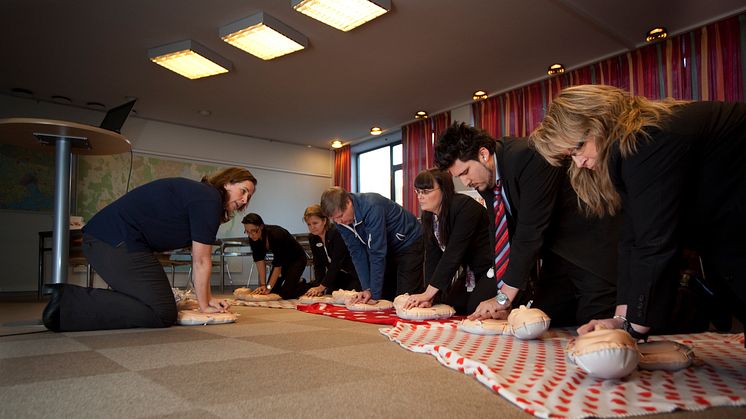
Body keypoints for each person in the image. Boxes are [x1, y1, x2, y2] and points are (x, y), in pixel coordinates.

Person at [529, 84, 746, 341]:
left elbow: (654, 242)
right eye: (570, 155)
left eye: (578, 148)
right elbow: (632, 238)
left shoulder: (647, 138)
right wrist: (621, 318)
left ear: (598, 122)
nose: (579, 162)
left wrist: (633, 330)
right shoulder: (633, 147)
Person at [434, 122, 619, 325]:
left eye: (465, 172)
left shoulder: (527, 155)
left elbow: (528, 232)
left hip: (590, 251)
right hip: (555, 258)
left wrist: (504, 298)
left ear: (483, 154)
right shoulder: (485, 179)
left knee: (596, 334)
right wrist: (504, 295)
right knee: (539, 323)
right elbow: (500, 233)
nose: (466, 182)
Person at [42, 167, 257, 332]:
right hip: (113, 240)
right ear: (228, 183)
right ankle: (67, 304)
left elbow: (196, 256)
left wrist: (209, 299)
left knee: (155, 304)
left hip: (111, 240)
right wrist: (204, 306)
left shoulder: (203, 197)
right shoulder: (209, 198)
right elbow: (201, 260)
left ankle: (66, 299)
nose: (245, 200)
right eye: (243, 191)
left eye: (249, 197)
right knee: (163, 312)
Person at [402, 169, 495, 315]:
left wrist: (428, 294)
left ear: (444, 190)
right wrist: (430, 295)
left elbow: (453, 253)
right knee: (452, 305)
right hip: (471, 271)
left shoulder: (465, 207)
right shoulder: (429, 216)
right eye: (418, 192)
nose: (420, 197)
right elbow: (433, 258)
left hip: (494, 267)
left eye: (426, 191)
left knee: (474, 309)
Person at [320, 187, 424, 305]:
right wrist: (367, 289)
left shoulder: (372, 206)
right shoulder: (340, 220)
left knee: (404, 297)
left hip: (409, 242)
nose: (338, 222)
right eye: (334, 219)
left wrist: (374, 294)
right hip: (389, 247)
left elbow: (377, 252)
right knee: (385, 295)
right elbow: (356, 253)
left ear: (348, 202)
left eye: (340, 216)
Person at [243, 213, 311, 299]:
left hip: (297, 259)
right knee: (272, 290)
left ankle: (306, 284)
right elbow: (260, 261)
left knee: (286, 294)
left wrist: (268, 288)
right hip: (283, 262)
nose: (250, 235)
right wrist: (264, 286)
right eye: (247, 232)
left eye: (253, 231)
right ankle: (294, 282)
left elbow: (277, 266)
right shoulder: (252, 238)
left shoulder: (276, 234)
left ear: (261, 226)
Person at [302, 204, 362, 296]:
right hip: (338, 275)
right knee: (330, 294)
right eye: (309, 224)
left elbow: (336, 262)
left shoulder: (336, 233)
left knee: (350, 296)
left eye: (315, 223)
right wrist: (319, 286)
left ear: (324, 220)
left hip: (354, 273)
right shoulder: (312, 238)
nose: (312, 227)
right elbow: (318, 264)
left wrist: (322, 286)